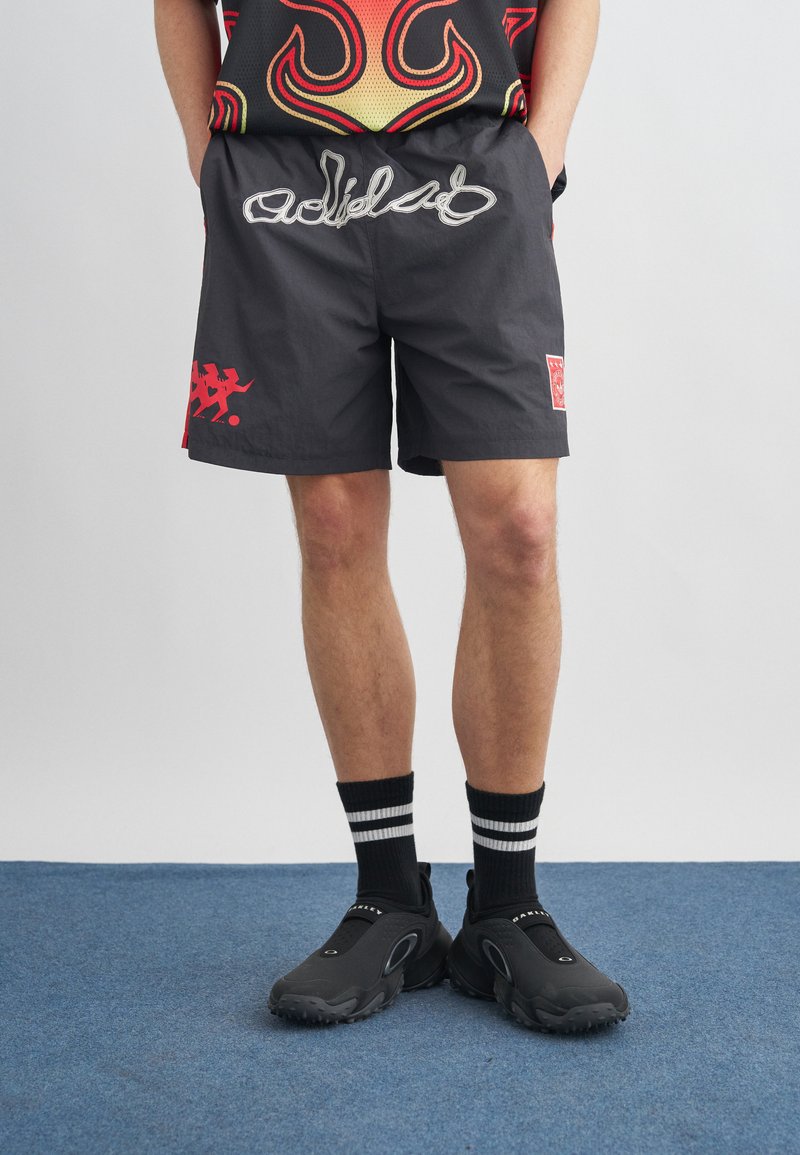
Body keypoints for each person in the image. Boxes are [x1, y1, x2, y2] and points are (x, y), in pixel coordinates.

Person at [155, 0, 629, 1034]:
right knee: (332, 526)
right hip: (282, 172)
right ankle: (390, 901)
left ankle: (506, 906)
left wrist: (539, 152)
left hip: (478, 161)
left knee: (518, 528)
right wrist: (208, 157)